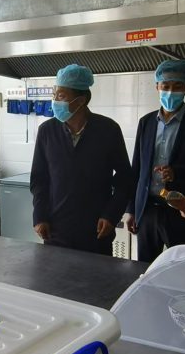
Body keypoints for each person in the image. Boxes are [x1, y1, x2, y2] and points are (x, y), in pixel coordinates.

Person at [30, 64, 133, 256]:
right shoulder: (47, 131)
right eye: (54, 94)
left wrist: (111, 215)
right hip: (56, 230)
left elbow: (125, 178)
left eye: (61, 96)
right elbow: (39, 179)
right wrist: (39, 216)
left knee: (97, 275)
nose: (55, 101)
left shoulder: (108, 130)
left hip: (96, 230)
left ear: (81, 100)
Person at [124, 60, 185, 262]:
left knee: (182, 268)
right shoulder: (146, 122)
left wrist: (177, 172)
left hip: (182, 211)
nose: (170, 92)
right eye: (165, 86)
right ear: (157, 86)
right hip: (147, 209)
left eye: (177, 86)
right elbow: (136, 169)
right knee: (146, 269)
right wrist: (131, 209)